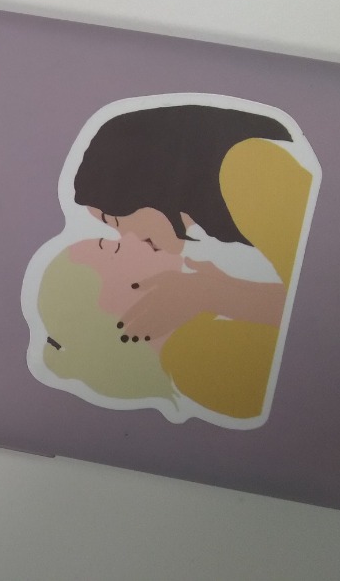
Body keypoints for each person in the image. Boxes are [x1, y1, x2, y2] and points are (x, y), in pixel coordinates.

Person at [35, 103, 316, 420]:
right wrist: (219, 291)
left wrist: (217, 293)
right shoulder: (192, 355)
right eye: (111, 233)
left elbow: (325, 299)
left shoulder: (244, 165)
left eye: (112, 224)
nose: (127, 238)